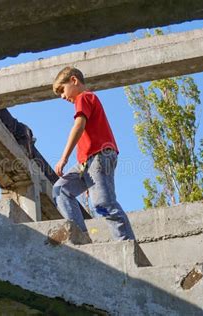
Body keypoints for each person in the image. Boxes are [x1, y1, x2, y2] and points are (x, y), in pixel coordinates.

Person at [52, 66, 135, 241]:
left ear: (74, 80)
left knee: (104, 203)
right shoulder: (84, 100)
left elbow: (79, 127)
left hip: (99, 156)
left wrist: (64, 158)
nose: (62, 96)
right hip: (86, 164)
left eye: (62, 90)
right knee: (61, 189)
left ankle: (126, 245)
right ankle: (81, 239)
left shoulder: (84, 97)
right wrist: (89, 184)